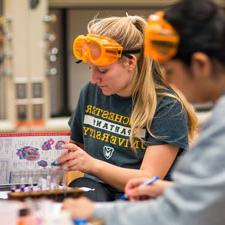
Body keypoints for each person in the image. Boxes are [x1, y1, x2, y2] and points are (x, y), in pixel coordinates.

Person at [63, 0, 225, 224]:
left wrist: (96, 212)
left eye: (169, 70)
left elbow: (186, 210)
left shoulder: (181, 110)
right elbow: (208, 196)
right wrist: (167, 189)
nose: (166, 79)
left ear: (200, 64)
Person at [57, 14, 197, 201]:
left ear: (130, 62)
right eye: (91, 68)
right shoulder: (91, 92)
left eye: (103, 70)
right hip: (95, 187)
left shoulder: (167, 107)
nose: (94, 79)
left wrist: (91, 164)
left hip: (142, 195)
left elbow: (148, 180)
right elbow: (77, 147)